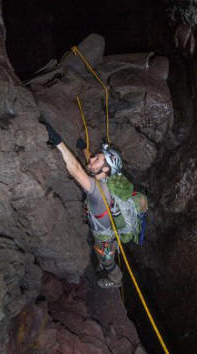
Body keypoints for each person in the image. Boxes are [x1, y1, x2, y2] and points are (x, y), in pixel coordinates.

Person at [45, 122, 124, 288]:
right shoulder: (105, 179)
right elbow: (93, 166)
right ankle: (104, 262)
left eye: (97, 159)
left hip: (104, 240)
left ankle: (116, 280)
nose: (92, 158)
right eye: (95, 156)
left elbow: (75, 169)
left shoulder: (98, 190)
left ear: (105, 171)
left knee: (107, 262)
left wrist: (58, 141)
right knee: (102, 254)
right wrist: (83, 149)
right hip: (107, 230)